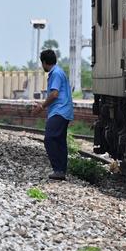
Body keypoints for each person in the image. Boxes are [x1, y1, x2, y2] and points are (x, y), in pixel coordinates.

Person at [33, 49, 74, 180]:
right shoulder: (59, 71)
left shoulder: (55, 73)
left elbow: (54, 94)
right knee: (60, 140)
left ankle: (58, 170)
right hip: (64, 111)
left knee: (49, 139)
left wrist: (42, 106)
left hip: (59, 111)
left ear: (44, 62)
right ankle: (61, 170)